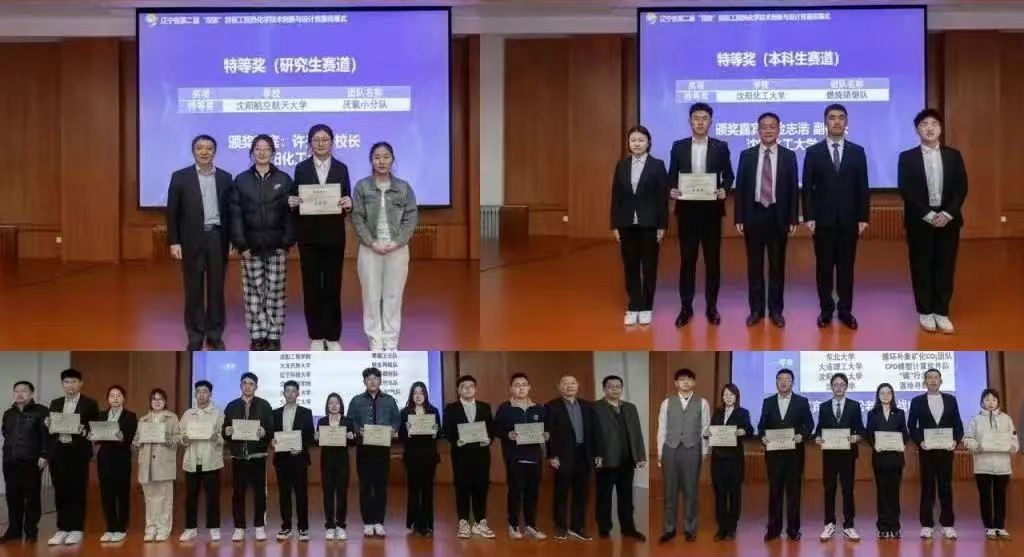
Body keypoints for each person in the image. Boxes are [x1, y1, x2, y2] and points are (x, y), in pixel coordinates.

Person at [897, 109, 968, 334]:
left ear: (941, 128)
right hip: (920, 221)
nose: (929, 128)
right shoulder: (907, 157)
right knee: (921, 266)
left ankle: (941, 311)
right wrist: (928, 215)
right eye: (924, 124)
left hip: (948, 220)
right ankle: (925, 311)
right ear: (917, 130)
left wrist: (947, 214)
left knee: (945, 266)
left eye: (934, 124)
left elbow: (961, 188)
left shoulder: (954, 155)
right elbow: (906, 190)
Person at [802, 104, 870, 330]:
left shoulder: (857, 151)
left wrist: (863, 217)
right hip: (822, 221)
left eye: (841, 117)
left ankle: (845, 311)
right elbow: (807, 188)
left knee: (846, 269)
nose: (837, 121)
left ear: (846, 122)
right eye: (832, 118)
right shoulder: (813, 152)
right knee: (824, 269)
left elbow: (863, 187)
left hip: (850, 220)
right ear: (825, 122)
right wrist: (809, 216)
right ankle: (826, 310)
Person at [667, 103, 734, 327]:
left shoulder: (721, 147)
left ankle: (711, 307)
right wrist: (672, 189)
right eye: (696, 118)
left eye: (704, 118)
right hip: (686, 212)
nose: (700, 122)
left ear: (710, 122)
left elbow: (729, 176)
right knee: (687, 261)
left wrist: (724, 189)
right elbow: (672, 175)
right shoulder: (678, 147)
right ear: (690, 121)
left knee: (712, 262)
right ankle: (686, 308)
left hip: (712, 212)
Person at [287, 124, 353, 351]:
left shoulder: (342, 168)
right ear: (310, 144)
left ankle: (332, 336)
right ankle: (315, 335)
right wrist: (291, 201)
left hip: (334, 236)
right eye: (317, 140)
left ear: (332, 142)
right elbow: (294, 197)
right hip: (309, 237)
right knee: (312, 286)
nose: (321, 143)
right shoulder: (301, 168)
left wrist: (349, 203)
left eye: (325, 139)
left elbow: (347, 199)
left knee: (333, 286)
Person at [166, 134, 234, 351]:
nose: (204, 152)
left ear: (215, 152)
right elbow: (172, 212)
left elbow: (231, 212)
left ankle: (214, 334)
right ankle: (195, 335)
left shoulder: (225, 177)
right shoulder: (180, 177)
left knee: (216, 290)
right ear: (193, 151)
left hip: (217, 237)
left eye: (209, 148)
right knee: (193, 289)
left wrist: (232, 239)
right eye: (200, 148)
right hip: (191, 240)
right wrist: (174, 242)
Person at [229, 134, 295, 350]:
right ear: (252, 152)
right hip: (251, 247)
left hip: (277, 247)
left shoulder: (284, 179)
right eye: (258, 148)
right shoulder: (241, 180)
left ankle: (274, 335)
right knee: (253, 293)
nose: (262, 152)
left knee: (275, 293)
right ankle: (257, 335)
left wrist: (286, 243)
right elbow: (235, 214)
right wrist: (241, 244)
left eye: (266, 148)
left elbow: (291, 215)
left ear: (273, 152)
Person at [351, 142, 419, 350]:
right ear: (371, 160)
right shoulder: (362, 186)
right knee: (371, 296)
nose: (381, 161)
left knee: (393, 296)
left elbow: (411, 217)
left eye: (386, 156)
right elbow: (357, 218)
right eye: (377, 157)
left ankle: (390, 340)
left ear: (392, 159)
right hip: (369, 249)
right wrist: (372, 242)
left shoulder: (404, 187)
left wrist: (398, 241)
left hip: (397, 249)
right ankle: (375, 339)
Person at [735, 112, 799, 328]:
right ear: (758, 130)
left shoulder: (789, 156)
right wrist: (739, 216)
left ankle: (776, 311)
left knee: (777, 266)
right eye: (764, 126)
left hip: (778, 216)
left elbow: (793, 189)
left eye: (773, 126)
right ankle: (756, 310)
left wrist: (793, 218)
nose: (768, 130)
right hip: (753, 215)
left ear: (779, 129)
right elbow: (741, 187)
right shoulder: (747, 155)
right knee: (754, 266)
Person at [609, 125, 669, 326]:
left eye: (641, 140)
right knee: (630, 266)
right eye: (633, 140)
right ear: (628, 143)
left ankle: (646, 306)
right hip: (626, 224)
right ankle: (633, 305)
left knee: (649, 267)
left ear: (648, 143)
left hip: (650, 224)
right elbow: (616, 197)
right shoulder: (622, 166)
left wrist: (662, 225)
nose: (637, 144)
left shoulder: (657, 165)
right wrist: (615, 225)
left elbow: (662, 198)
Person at [758, 368, 814, 541]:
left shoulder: (802, 402)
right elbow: (761, 426)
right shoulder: (768, 402)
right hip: (774, 456)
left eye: (787, 379)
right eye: (780, 379)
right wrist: (762, 437)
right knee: (774, 493)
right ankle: (773, 529)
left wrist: (802, 436)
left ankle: (793, 530)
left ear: (792, 382)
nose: (783, 382)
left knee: (793, 493)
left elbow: (809, 424)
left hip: (794, 456)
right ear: (776, 382)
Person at [907, 368, 964, 540]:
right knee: (927, 488)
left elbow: (958, 425)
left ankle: (948, 524)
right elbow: (912, 426)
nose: (933, 380)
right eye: (929, 378)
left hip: (946, 451)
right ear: (925, 382)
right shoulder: (917, 401)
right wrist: (920, 441)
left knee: (945, 488)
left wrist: (955, 441)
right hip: (927, 451)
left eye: (936, 377)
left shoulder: (951, 400)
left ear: (941, 381)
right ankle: (927, 525)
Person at [45, 368, 99, 546]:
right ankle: (62, 528)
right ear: (62, 384)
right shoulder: (55, 403)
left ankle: (76, 529)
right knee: (60, 490)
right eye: (67, 382)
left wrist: (83, 430)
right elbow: (51, 427)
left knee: (77, 490)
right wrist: (48, 424)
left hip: (77, 453)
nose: (70, 385)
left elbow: (95, 430)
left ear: (80, 383)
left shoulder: (89, 404)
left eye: (74, 381)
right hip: (58, 452)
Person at [657, 368, 710, 543]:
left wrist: (703, 452)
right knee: (669, 492)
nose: (685, 382)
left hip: (692, 450)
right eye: (681, 379)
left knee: (691, 491)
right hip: (670, 450)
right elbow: (662, 428)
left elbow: (705, 428)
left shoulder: (702, 403)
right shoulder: (666, 403)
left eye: (689, 379)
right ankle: (669, 529)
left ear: (694, 382)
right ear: (676, 383)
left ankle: (689, 528)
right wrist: (660, 453)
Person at [346, 367, 401, 537]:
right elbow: (349, 421)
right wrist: (358, 430)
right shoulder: (356, 401)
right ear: (364, 382)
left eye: (375, 378)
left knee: (380, 486)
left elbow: (396, 420)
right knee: (365, 486)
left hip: (382, 450)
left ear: (380, 381)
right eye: (369, 379)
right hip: (364, 449)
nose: (372, 381)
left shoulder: (389, 400)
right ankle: (368, 522)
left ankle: (379, 522)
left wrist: (393, 429)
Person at [494, 373, 549, 540]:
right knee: (515, 491)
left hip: (534, 456)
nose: (521, 388)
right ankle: (513, 524)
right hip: (514, 457)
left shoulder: (538, 408)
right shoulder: (505, 408)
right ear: (511, 388)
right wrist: (507, 435)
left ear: (529, 387)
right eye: (517, 385)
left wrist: (546, 435)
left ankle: (531, 525)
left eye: (524, 385)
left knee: (533, 492)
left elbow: (545, 429)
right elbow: (496, 429)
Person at [546, 375, 601, 541]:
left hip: (584, 454)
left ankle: (577, 527)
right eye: (565, 383)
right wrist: (551, 455)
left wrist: (598, 454)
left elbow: (595, 431)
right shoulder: (551, 406)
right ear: (559, 386)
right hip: (562, 455)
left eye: (572, 383)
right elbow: (548, 432)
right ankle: (561, 527)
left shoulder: (588, 406)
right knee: (561, 492)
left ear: (578, 385)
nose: (569, 386)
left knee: (581, 493)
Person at [593, 375, 647, 541]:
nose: (615, 389)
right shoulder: (595, 408)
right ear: (604, 389)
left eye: (618, 386)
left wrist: (640, 455)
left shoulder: (630, 408)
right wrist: (595, 455)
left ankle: (628, 528)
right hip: (605, 460)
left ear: (622, 389)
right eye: (611, 386)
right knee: (604, 497)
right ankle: (604, 528)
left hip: (627, 460)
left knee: (626, 497)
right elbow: (592, 435)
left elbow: (637, 433)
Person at [222, 372, 274, 542]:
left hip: (258, 456)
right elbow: (225, 430)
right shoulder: (231, 406)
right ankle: (239, 528)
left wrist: (264, 432)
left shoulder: (264, 405)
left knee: (259, 493)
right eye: (244, 383)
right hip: (239, 457)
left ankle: (259, 526)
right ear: (240, 386)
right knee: (238, 493)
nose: (247, 386)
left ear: (256, 387)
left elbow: (271, 429)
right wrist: (226, 431)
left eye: (251, 383)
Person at [442, 375, 497, 539]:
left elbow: (491, 429)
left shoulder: (484, 407)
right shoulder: (451, 408)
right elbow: (447, 430)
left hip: (481, 455)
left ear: (475, 389)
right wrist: (456, 441)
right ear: (458, 390)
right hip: (461, 455)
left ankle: (480, 522)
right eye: (464, 386)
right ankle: (464, 522)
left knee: (481, 488)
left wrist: (489, 439)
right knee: (462, 488)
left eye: (471, 386)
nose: (467, 389)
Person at [814, 373, 865, 541]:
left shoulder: (854, 406)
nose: (838, 388)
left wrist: (857, 437)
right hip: (829, 455)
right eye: (835, 384)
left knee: (848, 490)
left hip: (848, 455)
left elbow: (861, 429)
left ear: (846, 387)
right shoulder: (824, 407)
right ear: (831, 387)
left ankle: (849, 526)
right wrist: (817, 437)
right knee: (829, 489)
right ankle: (829, 524)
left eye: (842, 384)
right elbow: (819, 429)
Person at [963, 388, 1017, 540]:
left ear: (998, 402)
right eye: (987, 400)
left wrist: (1012, 447)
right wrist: (976, 446)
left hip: (1002, 466)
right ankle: (989, 527)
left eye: (994, 399)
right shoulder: (975, 419)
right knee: (985, 497)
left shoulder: (1006, 419)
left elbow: (1014, 439)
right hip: (982, 465)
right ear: (982, 402)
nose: (990, 402)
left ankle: (1000, 527)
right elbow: (967, 438)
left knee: (1001, 497)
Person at [0, 381, 49, 543]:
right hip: (10, 461)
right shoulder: (8, 413)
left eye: (24, 391)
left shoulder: (41, 411)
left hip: (31, 461)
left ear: (31, 393)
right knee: (13, 497)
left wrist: (44, 455)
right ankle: (14, 530)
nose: (19, 394)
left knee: (32, 497)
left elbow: (46, 435)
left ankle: (30, 531)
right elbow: (5, 433)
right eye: (16, 391)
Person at [178, 380, 225, 543]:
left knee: (212, 497)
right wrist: (183, 439)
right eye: (198, 391)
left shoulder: (218, 413)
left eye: (205, 391)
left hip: (211, 461)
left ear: (210, 394)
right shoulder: (188, 414)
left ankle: (214, 528)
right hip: (192, 461)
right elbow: (180, 435)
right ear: (195, 394)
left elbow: (224, 435)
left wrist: (217, 438)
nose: (201, 395)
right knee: (190, 497)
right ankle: (190, 529)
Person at [91, 385, 138, 543]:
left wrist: (122, 437)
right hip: (104, 459)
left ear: (124, 398)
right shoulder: (101, 415)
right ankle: (110, 527)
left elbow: (131, 437)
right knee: (106, 495)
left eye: (118, 395)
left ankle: (121, 528)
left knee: (122, 494)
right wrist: (94, 436)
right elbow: (97, 437)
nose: (115, 398)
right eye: (112, 396)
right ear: (108, 399)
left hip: (121, 459)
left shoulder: (130, 416)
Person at [709, 383, 753, 541]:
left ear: (736, 397)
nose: (728, 397)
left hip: (734, 459)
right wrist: (707, 433)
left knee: (734, 493)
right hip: (718, 459)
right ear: (722, 397)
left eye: (731, 395)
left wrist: (743, 431)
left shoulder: (743, 412)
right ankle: (721, 527)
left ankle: (732, 527)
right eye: (725, 395)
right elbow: (712, 429)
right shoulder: (717, 412)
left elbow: (750, 430)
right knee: (720, 493)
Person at [865, 383, 909, 539]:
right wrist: (874, 445)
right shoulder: (872, 413)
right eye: (882, 393)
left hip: (896, 459)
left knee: (894, 494)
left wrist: (901, 443)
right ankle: (883, 526)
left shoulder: (899, 413)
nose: (885, 395)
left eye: (888, 392)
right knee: (882, 493)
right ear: (878, 395)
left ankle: (895, 526)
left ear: (892, 395)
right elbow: (869, 434)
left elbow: (905, 433)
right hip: (880, 458)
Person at [271, 380, 315, 541]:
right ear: (283, 393)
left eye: (293, 391)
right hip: (281, 459)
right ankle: (286, 527)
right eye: (287, 391)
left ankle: (303, 528)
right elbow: (272, 434)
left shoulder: (306, 412)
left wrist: (301, 447)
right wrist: (272, 441)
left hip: (299, 458)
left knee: (301, 493)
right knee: (284, 494)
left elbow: (310, 436)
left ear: (298, 393)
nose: (290, 394)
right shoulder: (275, 413)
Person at [134, 388, 179, 542]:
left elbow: (178, 439)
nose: (157, 402)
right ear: (150, 402)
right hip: (146, 465)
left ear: (165, 401)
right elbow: (135, 440)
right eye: (154, 399)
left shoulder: (172, 418)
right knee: (149, 499)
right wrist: (138, 441)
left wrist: (168, 439)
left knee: (165, 499)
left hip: (164, 463)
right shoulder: (143, 419)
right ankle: (150, 528)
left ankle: (163, 528)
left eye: (160, 399)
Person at [398, 381, 441, 537]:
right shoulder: (405, 412)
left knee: (427, 490)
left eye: (421, 392)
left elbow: (439, 433)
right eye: (415, 393)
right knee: (414, 490)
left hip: (429, 456)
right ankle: (414, 523)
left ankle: (427, 525)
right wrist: (406, 431)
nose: (418, 396)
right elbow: (400, 436)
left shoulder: (433, 411)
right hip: (412, 456)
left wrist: (436, 431)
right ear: (411, 395)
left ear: (425, 395)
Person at [315, 393, 353, 541]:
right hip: (327, 462)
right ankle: (330, 526)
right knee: (328, 494)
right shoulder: (322, 421)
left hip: (342, 462)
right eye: (331, 403)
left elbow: (353, 442)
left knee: (342, 493)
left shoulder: (347, 421)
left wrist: (352, 437)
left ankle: (341, 525)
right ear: (327, 406)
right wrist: (316, 438)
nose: (334, 406)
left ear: (341, 405)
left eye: (337, 403)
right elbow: (317, 442)